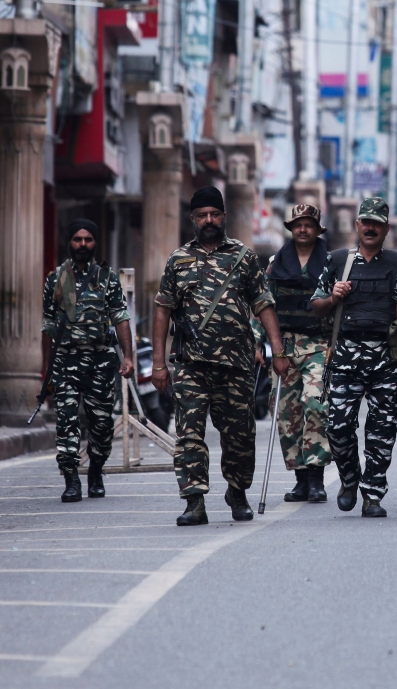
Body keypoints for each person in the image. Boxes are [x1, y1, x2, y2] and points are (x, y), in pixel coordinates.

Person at [152, 186, 290, 526]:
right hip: (191, 365)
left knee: (240, 434)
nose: (209, 220)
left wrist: (278, 351)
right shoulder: (178, 259)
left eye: (215, 214)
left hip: (236, 364)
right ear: (193, 219)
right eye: (202, 215)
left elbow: (264, 304)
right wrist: (158, 363)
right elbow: (162, 310)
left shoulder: (243, 257)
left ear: (224, 216)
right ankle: (194, 501)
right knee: (189, 433)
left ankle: (237, 491)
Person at [311, 197, 397, 518]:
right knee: (337, 427)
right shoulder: (337, 261)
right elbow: (316, 304)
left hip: (386, 360)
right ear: (358, 225)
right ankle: (349, 478)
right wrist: (332, 296)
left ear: (386, 228)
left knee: (382, 429)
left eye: (378, 223)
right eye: (366, 222)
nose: (371, 227)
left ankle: (373, 494)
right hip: (346, 356)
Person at [42, 219, 134, 502]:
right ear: (70, 242)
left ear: (95, 243)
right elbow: (48, 325)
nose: (83, 244)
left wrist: (128, 355)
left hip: (100, 361)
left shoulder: (107, 279)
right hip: (65, 360)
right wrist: (47, 367)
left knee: (102, 424)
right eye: (78, 239)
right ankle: (71, 479)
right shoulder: (55, 279)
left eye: (88, 239)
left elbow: (120, 317)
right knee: (67, 423)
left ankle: (95, 469)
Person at [255, 204, 333, 504]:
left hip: (318, 345)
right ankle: (300, 479)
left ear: (317, 229)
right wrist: (258, 341)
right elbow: (263, 304)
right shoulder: (277, 263)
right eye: (298, 224)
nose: (303, 229)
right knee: (288, 415)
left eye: (308, 224)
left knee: (315, 404)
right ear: (291, 228)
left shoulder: (330, 263)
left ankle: (316, 479)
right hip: (284, 346)